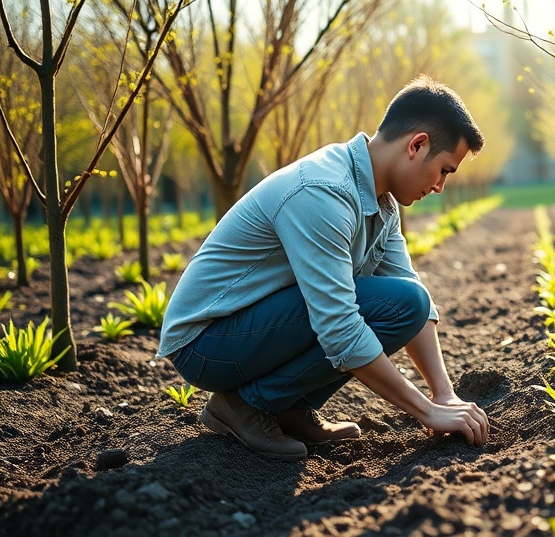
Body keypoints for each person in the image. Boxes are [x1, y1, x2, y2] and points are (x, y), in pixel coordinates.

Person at [157, 75, 489, 461]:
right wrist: (427, 412)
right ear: (417, 145)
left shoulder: (381, 202)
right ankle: (244, 405)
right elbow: (340, 328)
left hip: (248, 328)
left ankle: (287, 407)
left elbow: (412, 296)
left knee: (407, 302)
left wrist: (444, 394)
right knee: (381, 309)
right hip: (205, 342)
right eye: (445, 170)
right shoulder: (323, 191)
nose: (440, 186)